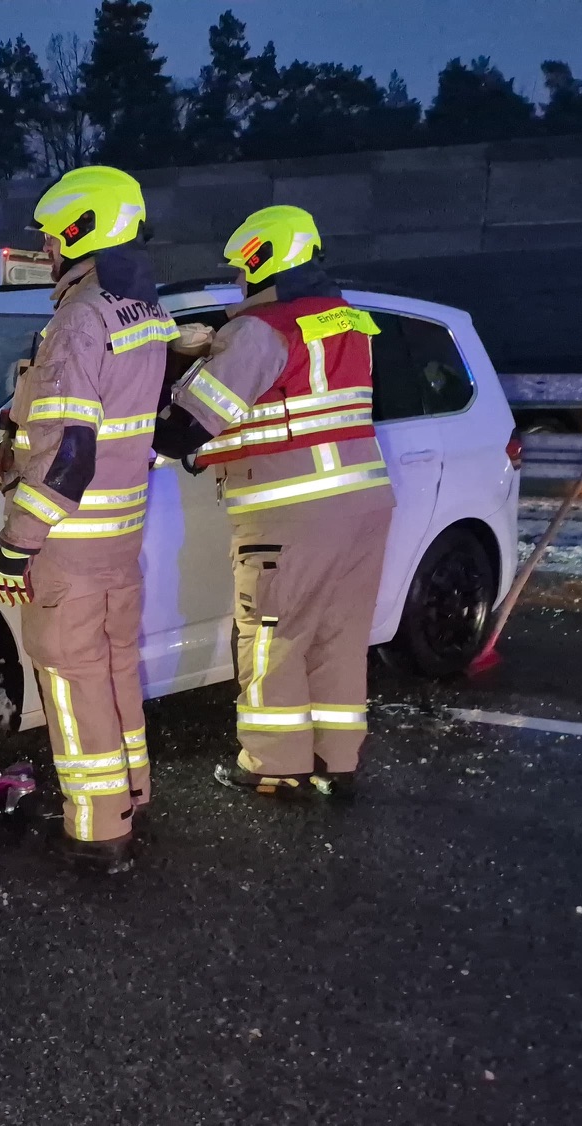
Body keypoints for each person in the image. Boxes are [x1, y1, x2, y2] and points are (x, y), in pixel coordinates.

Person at [152, 205, 393, 800]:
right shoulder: (346, 321)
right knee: (339, 638)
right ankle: (335, 760)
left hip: (289, 513)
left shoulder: (260, 331)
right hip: (362, 505)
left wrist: (172, 363)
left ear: (263, 259)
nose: (238, 281)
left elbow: (185, 429)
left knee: (272, 638)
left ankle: (273, 763)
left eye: (241, 269)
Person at [0, 165, 177, 873]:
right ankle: (129, 794)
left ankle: (96, 830)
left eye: (52, 234)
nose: (47, 247)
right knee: (115, 668)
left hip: (68, 543)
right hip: (119, 539)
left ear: (79, 229)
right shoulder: (142, 309)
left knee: (72, 682)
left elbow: (68, 452)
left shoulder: (79, 317)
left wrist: (17, 545)